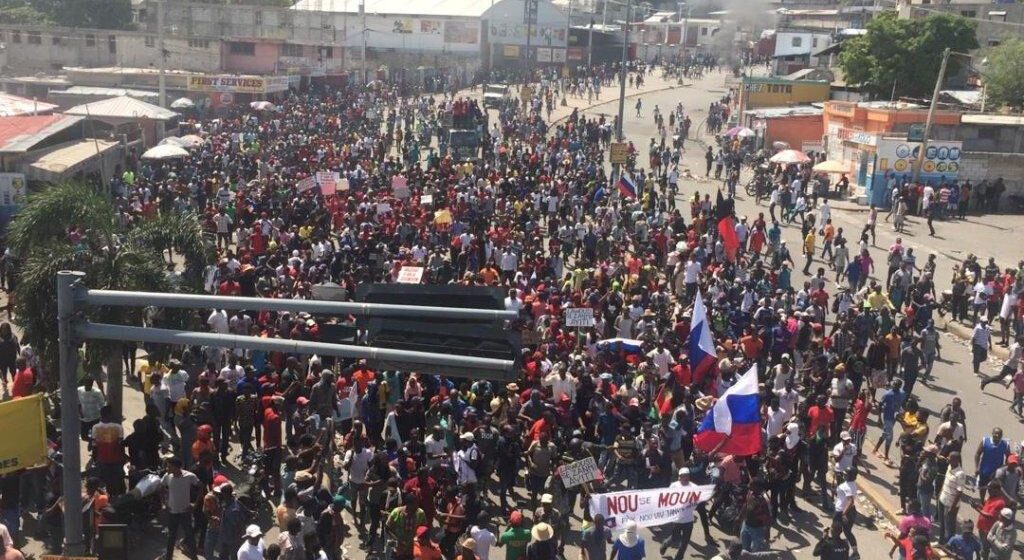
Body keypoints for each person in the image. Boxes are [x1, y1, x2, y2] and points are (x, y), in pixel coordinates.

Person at [161, 456, 201, 560]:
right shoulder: (167, 476)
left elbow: (201, 487)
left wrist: (195, 504)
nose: (167, 469)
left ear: (176, 467)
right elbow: (161, 487)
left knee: (189, 535)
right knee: (171, 537)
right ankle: (168, 557)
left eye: (169, 467)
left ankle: (194, 557)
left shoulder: (189, 476)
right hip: (172, 512)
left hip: (185, 512)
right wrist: (164, 503)